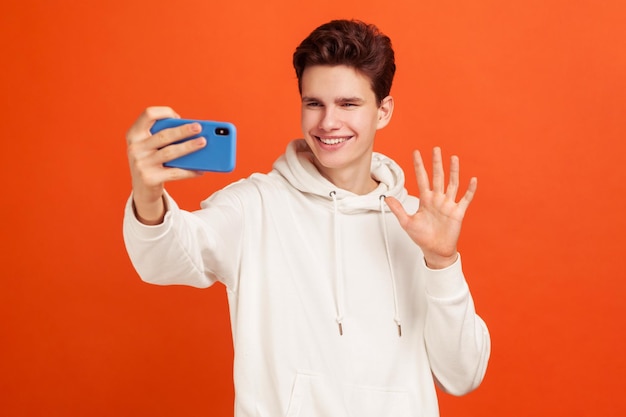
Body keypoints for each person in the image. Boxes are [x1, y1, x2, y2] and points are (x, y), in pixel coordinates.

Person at [123, 19, 490, 417]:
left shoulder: (416, 225)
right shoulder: (257, 205)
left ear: (383, 111)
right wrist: (148, 193)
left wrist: (441, 262)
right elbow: (163, 261)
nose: (328, 123)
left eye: (348, 104)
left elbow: (462, 375)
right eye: (314, 103)